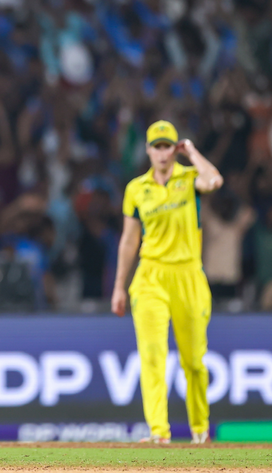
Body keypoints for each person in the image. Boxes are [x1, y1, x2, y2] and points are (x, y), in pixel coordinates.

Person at [111, 120, 223, 445]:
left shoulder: (190, 179)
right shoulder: (136, 188)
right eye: (156, 147)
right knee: (152, 354)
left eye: (167, 146)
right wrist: (120, 286)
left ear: (175, 149)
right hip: (150, 277)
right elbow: (129, 240)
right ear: (147, 150)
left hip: (188, 275)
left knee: (193, 360)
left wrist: (193, 153)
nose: (161, 153)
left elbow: (214, 180)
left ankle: (200, 428)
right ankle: (158, 432)